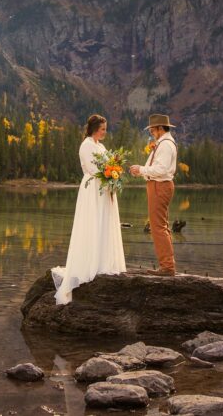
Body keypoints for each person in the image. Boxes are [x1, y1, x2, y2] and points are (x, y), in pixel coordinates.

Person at [51, 114, 126, 304]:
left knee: (104, 224)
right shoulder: (86, 145)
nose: (105, 132)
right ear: (94, 129)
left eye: (105, 129)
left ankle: (103, 262)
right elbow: (94, 169)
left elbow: (108, 165)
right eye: (102, 129)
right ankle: (88, 264)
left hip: (103, 189)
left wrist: (113, 175)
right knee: (92, 223)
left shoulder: (100, 146)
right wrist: (108, 174)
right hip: (92, 188)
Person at [129, 113, 178, 276]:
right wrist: (141, 171)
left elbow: (161, 170)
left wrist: (141, 170)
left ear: (159, 128)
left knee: (158, 227)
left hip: (159, 186)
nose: (151, 132)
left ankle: (167, 268)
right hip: (158, 185)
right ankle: (167, 265)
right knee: (161, 226)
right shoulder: (163, 143)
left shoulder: (165, 145)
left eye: (152, 129)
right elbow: (156, 169)